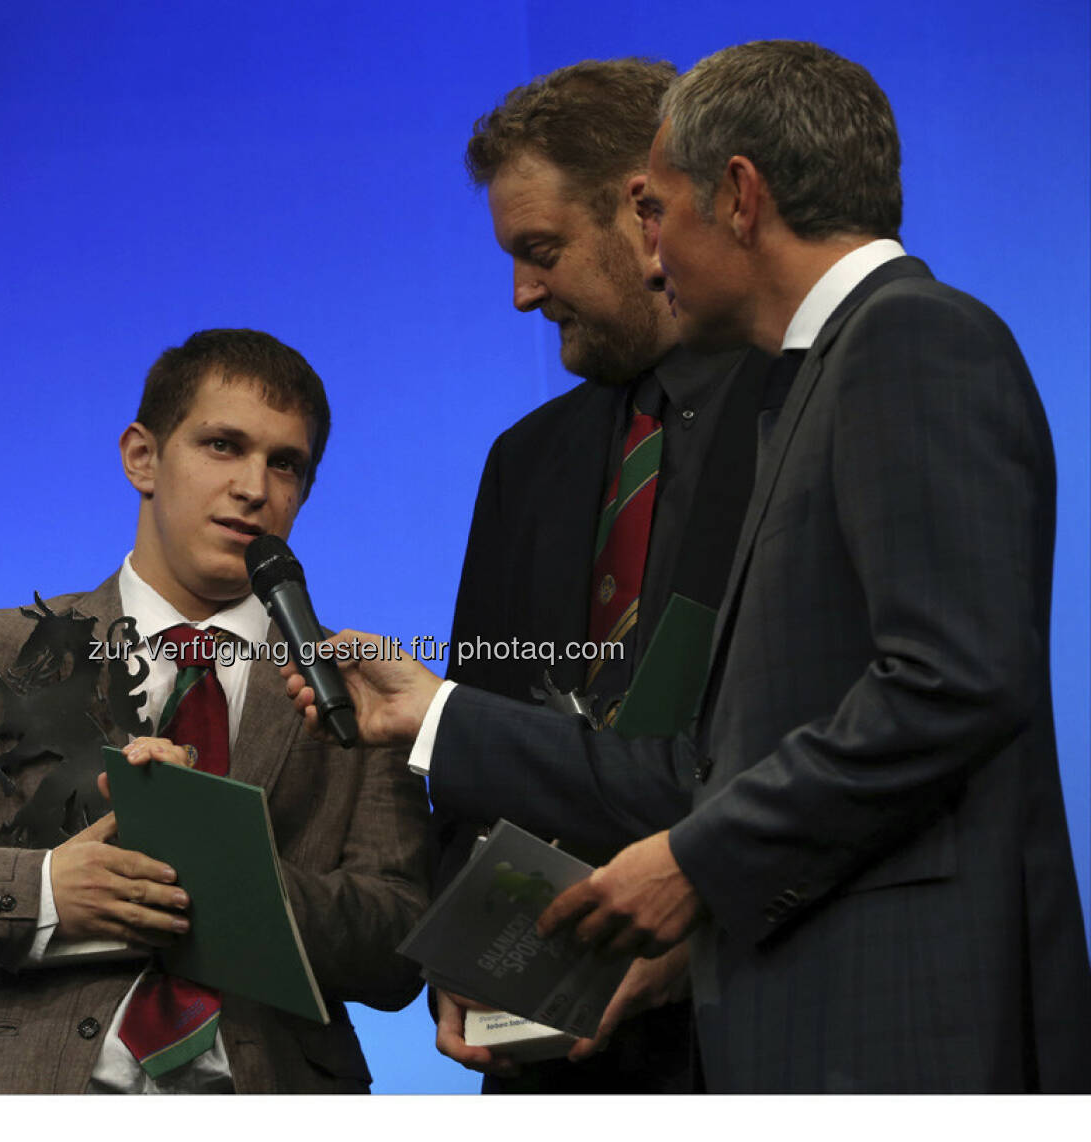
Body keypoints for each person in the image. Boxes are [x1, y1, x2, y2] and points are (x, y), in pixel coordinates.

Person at [286, 43, 1091, 1091]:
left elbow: (946, 683)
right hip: (642, 1029)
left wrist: (694, 866)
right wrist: (474, 933)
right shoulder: (794, 386)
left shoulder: (902, 346)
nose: (527, 291)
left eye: (657, 210)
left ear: (733, 196)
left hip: (862, 1015)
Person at [0, 328, 430, 1094]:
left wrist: (233, 880)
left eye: (286, 464)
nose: (255, 486)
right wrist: (47, 891)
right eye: (222, 445)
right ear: (142, 458)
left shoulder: (355, 688)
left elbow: (398, 951)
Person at [436, 59, 769, 1092]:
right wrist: (464, 943)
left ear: (644, 210)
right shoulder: (521, 459)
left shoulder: (815, 412)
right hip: (552, 1048)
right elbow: (477, 723)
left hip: (759, 1022)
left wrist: (703, 928)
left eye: (541, 252)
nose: (522, 293)